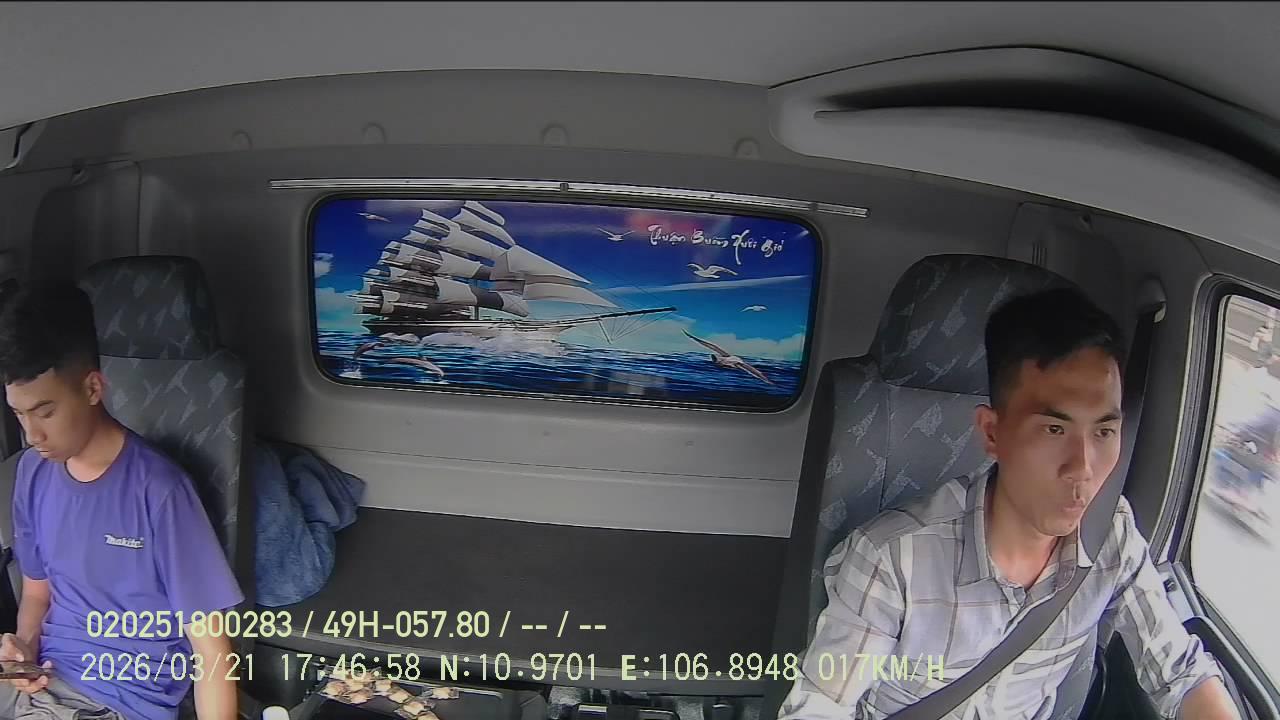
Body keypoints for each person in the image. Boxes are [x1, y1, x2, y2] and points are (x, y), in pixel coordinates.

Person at [779, 287, 1240, 720]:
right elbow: (821, 706)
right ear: (992, 432)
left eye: (1104, 431)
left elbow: (1181, 671)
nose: (1083, 468)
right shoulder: (893, 558)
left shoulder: (1111, 536)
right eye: (1054, 430)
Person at [0, 282, 243, 720]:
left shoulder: (161, 491)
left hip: (114, 701)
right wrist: (24, 652)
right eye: (19, 414)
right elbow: (37, 593)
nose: (32, 435)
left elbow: (212, 652)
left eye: (46, 412)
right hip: (42, 685)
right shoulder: (32, 472)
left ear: (93, 388)